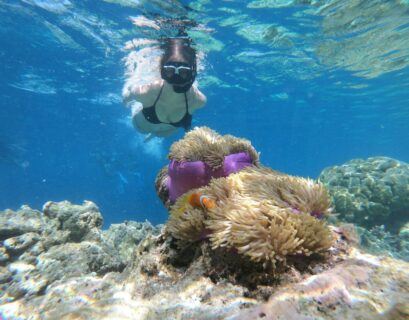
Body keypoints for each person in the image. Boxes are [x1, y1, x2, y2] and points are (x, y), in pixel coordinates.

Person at [123, 35, 207, 139]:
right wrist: (127, 96)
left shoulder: (198, 100)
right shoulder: (147, 92)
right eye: (170, 71)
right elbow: (128, 95)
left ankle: (153, 135)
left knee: (159, 134)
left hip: (165, 132)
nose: (177, 78)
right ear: (162, 72)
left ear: (192, 73)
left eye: (184, 71)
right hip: (141, 128)